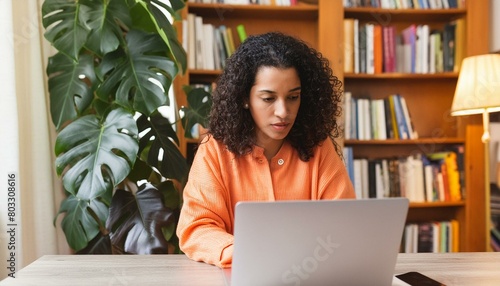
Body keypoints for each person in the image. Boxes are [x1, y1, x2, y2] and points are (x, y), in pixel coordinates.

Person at [176, 32, 356, 268]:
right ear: (245, 98)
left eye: (293, 97)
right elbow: (197, 228)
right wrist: (252, 255)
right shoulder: (215, 151)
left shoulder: (320, 149)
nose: (283, 111)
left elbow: (345, 223)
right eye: (268, 98)